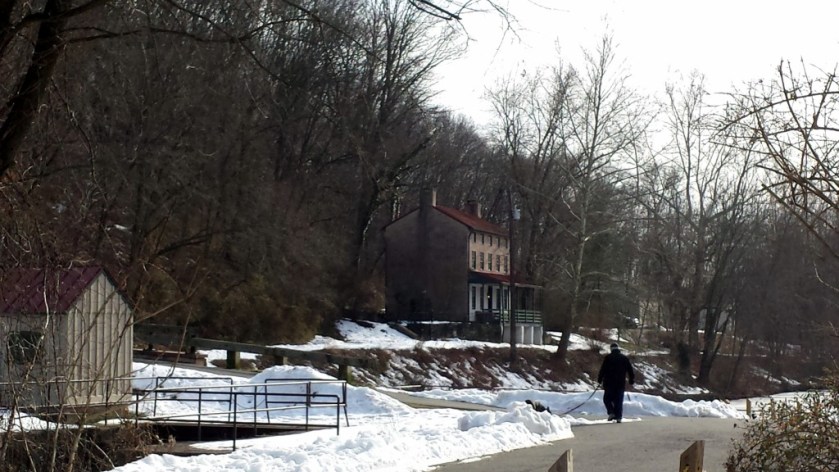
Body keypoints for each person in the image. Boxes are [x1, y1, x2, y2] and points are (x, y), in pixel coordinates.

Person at [597, 342, 635, 423]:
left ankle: (611, 412)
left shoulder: (608, 358)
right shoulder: (624, 358)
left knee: (607, 399)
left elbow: (602, 370)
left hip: (609, 383)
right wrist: (631, 379)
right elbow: (630, 370)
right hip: (620, 383)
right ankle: (619, 417)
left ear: (611, 349)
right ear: (618, 349)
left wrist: (600, 379)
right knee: (618, 400)